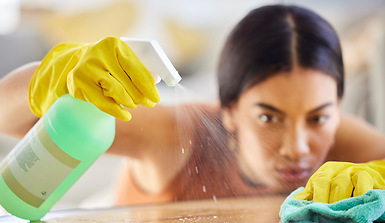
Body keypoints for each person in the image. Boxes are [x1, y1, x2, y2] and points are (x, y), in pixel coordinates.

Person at [1, 4, 385, 206]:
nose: (298, 147)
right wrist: (51, 77)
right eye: (269, 117)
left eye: (319, 117)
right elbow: (8, 118)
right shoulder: (178, 135)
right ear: (229, 110)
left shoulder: (339, 142)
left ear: (337, 107)